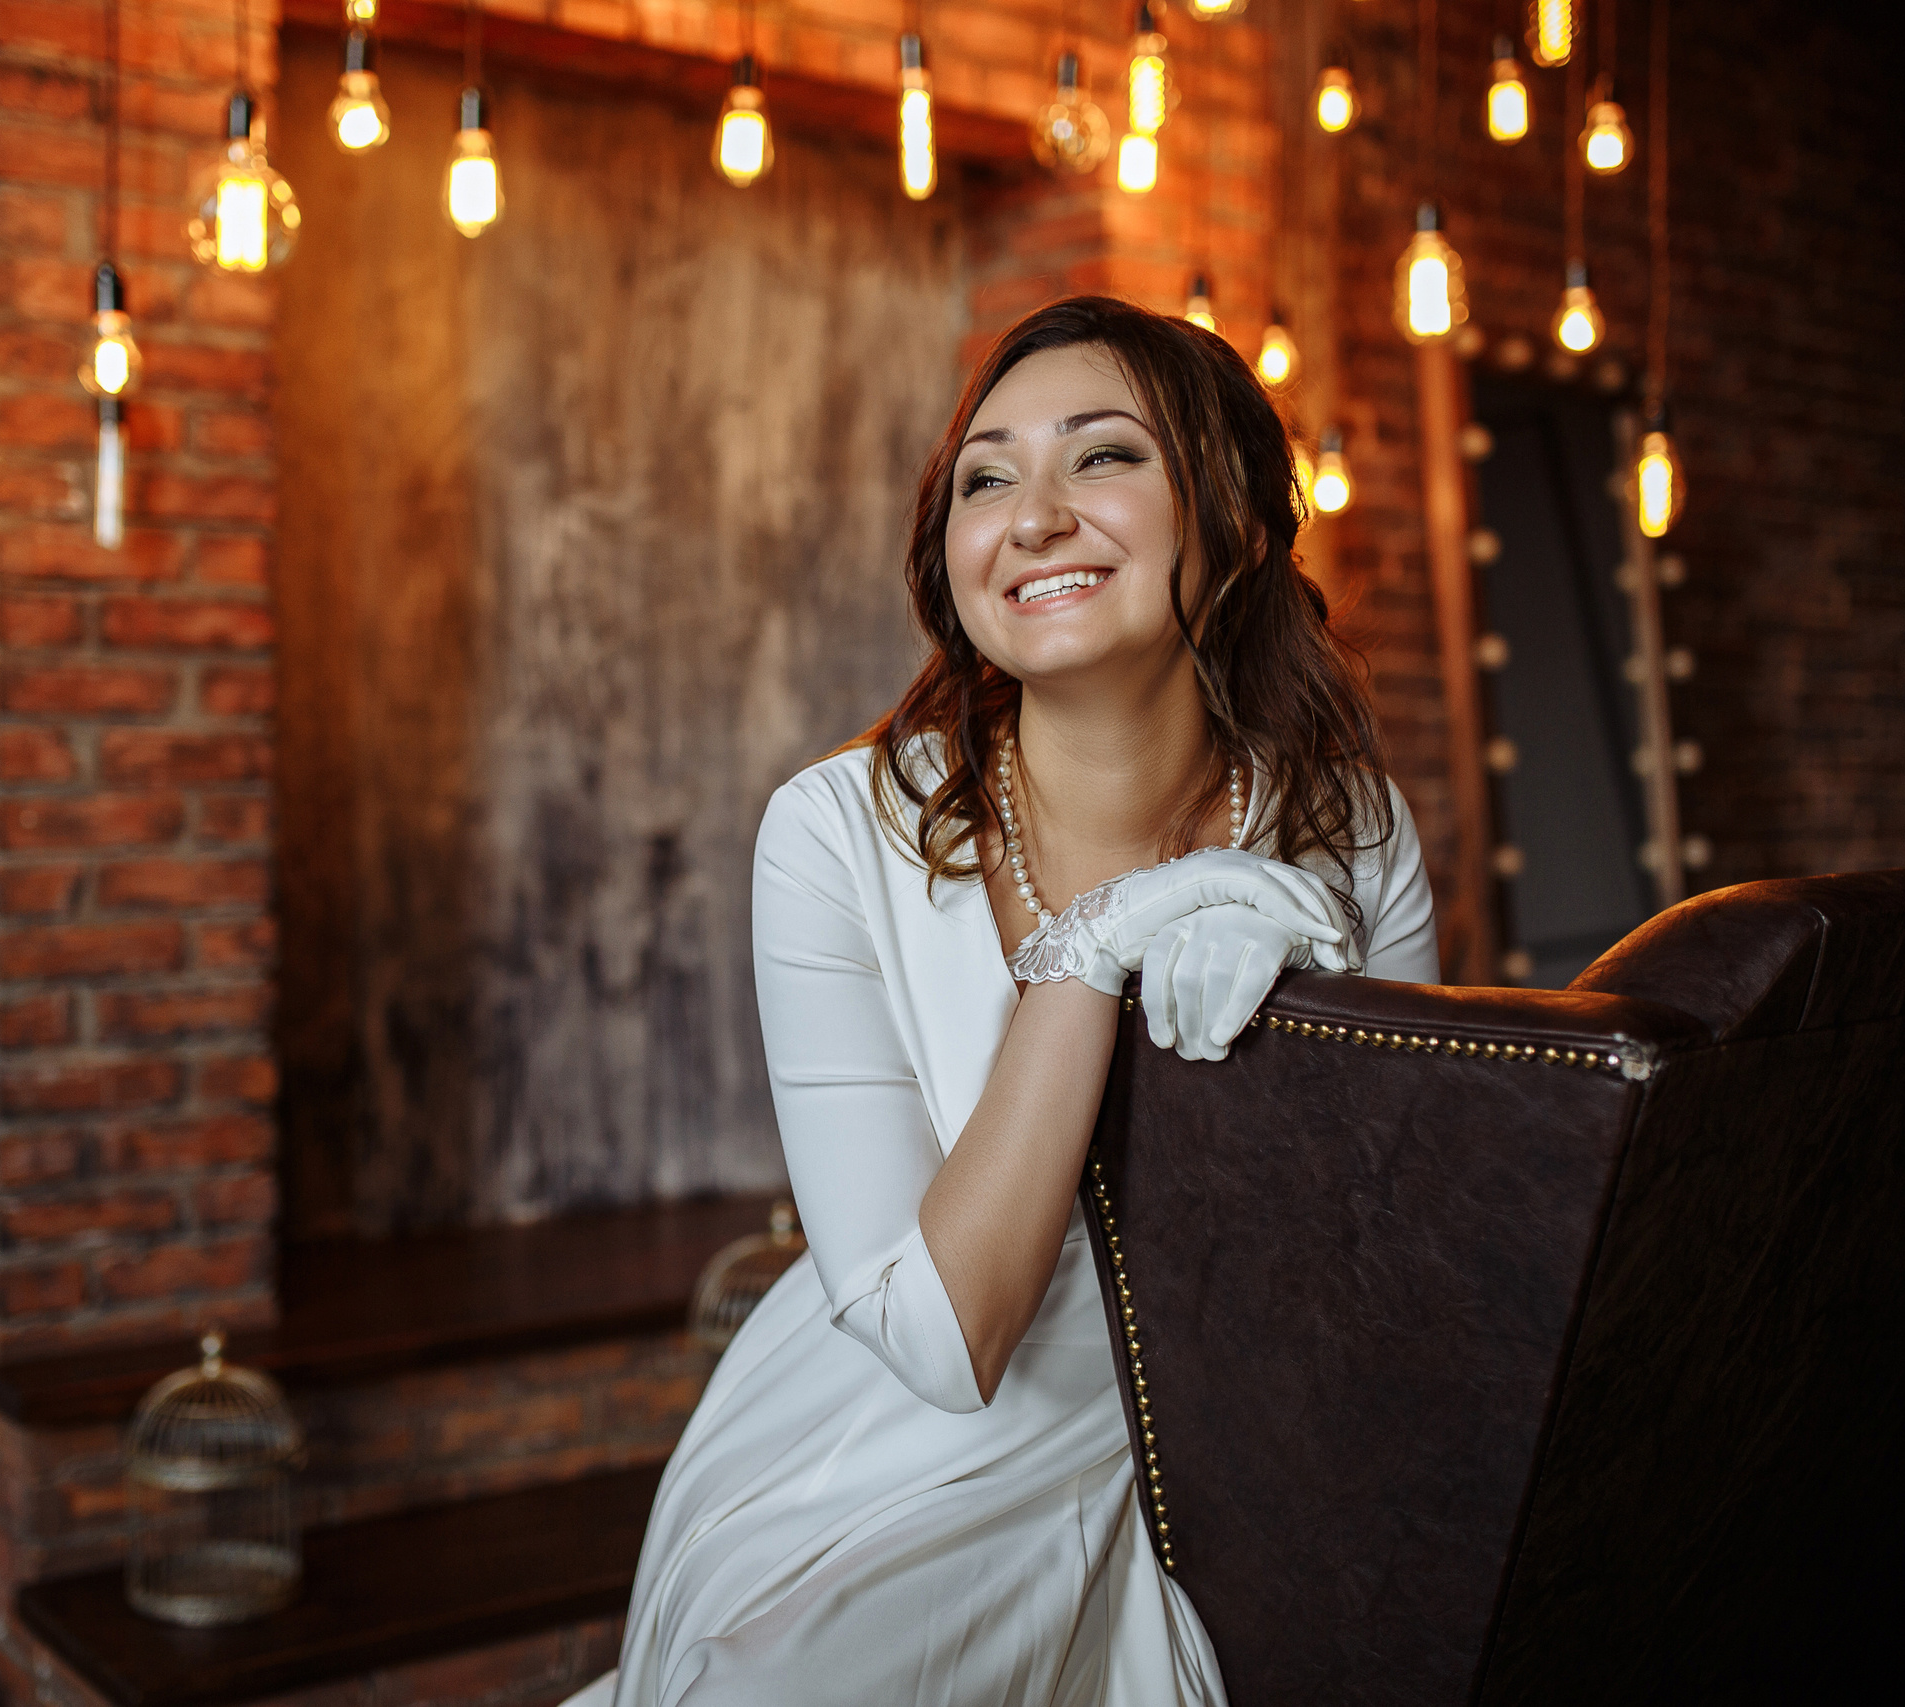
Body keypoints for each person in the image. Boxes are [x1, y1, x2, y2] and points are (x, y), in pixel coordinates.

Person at [565, 296, 1439, 1707]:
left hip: (1216, 1454)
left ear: (1238, 521)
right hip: (886, 1451)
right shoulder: (833, 833)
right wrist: (1100, 947)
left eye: (1102, 458)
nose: (1032, 516)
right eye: (986, 477)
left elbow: (1385, 1268)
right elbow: (946, 1337)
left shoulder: (1348, 836)